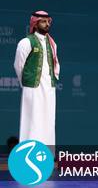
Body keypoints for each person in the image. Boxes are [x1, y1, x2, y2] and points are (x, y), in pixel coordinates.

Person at [14, 11, 60, 147]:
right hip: (32, 88)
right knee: (33, 120)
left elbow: (56, 65)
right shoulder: (26, 42)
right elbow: (18, 65)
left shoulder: (52, 44)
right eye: (43, 22)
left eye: (48, 22)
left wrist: (52, 80)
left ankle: (47, 153)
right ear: (35, 23)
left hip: (49, 88)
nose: (47, 24)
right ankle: (28, 151)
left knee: (48, 120)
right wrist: (26, 83)